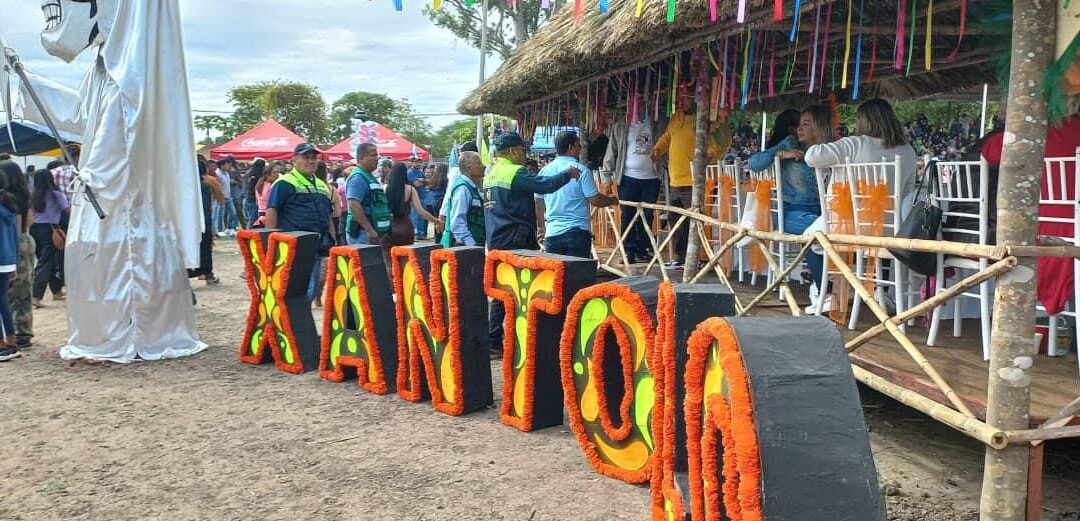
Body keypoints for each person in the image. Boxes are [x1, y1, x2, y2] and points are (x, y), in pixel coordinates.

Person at [484, 132, 580, 356]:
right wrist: (568, 174)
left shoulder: (492, 173)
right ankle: (521, 338)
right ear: (512, 151)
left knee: (501, 291)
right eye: (522, 149)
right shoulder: (513, 172)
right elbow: (545, 185)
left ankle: (494, 340)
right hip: (515, 239)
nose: (524, 153)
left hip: (497, 238)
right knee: (524, 288)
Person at [749, 106, 834, 310]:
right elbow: (754, 163)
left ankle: (835, 286)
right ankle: (823, 288)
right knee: (815, 232)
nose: (800, 129)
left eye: (806, 124)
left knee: (827, 228)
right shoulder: (790, 143)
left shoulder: (831, 150)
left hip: (824, 212)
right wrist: (780, 154)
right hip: (789, 212)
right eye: (799, 124)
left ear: (819, 127)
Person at [806, 98, 918, 214]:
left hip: (847, 223)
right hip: (891, 227)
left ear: (862, 120)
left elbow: (811, 156)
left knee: (809, 231)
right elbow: (907, 192)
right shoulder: (909, 151)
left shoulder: (854, 144)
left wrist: (828, 140)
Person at [652, 103, 729, 268]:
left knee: (695, 221)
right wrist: (657, 150)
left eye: (686, 96)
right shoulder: (676, 118)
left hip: (693, 181)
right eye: (680, 96)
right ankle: (681, 258)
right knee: (676, 220)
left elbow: (713, 146)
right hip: (675, 180)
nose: (683, 99)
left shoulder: (701, 119)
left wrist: (707, 158)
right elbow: (667, 137)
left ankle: (699, 259)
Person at [264, 143, 336, 304]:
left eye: (313, 157)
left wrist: (331, 238)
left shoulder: (322, 185)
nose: (311, 161)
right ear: (293, 160)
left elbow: (328, 214)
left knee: (311, 289)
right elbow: (272, 210)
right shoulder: (284, 183)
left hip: (317, 246)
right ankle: (289, 325)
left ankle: (297, 324)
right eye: (306, 157)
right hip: (293, 247)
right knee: (295, 292)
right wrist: (271, 243)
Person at [537, 131, 619, 259]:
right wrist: (612, 200)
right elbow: (595, 200)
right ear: (571, 147)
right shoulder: (581, 170)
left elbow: (538, 200)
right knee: (577, 276)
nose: (580, 148)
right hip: (577, 233)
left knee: (556, 276)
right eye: (578, 145)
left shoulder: (544, 171)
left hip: (552, 233)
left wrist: (541, 226)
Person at [604, 117, 658, 264]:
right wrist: (607, 178)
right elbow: (611, 151)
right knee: (627, 214)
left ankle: (643, 249)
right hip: (627, 178)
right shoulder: (621, 125)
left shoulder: (657, 121)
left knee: (647, 215)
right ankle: (628, 250)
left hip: (651, 178)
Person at [382, 162, 439, 275]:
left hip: (388, 228)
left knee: (388, 262)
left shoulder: (385, 188)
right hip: (406, 228)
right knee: (405, 261)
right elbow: (421, 211)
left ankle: (392, 289)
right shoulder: (410, 190)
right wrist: (436, 221)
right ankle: (404, 288)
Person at [0, 162, 34, 348]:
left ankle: (8, 336)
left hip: (8, 248)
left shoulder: (6, 199)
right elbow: (28, 221)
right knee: (21, 290)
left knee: (7, 296)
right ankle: (21, 331)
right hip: (20, 244)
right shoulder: (18, 199)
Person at [29, 170, 69, 308]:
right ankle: (36, 296)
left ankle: (56, 291)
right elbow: (67, 210)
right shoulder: (55, 194)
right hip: (51, 229)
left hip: (35, 229)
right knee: (46, 262)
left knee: (46, 259)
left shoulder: (32, 195)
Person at [345, 143, 391, 246]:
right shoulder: (358, 178)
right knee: (363, 261)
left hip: (371, 233)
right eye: (373, 155)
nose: (377, 158)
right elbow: (353, 205)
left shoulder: (369, 177)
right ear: (361, 158)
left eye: (377, 155)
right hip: (362, 233)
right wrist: (369, 230)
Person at [441, 151, 485, 247]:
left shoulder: (472, 187)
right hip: (465, 247)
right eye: (479, 163)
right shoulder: (463, 189)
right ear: (469, 168)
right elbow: (457, 222)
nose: (483, 166)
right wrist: (471, 245)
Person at [0, 169, 22, 361]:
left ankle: (2, 345)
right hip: (7, 260)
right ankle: (11, 339)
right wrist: (14, 263)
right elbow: (15, 237)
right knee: (3, 301)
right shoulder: (8, 205)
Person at [188, 156, 219, 285]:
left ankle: (188, 274)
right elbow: (206, 207)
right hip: (203, 222)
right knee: (205, 249)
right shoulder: (205, 186)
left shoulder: (188, 186)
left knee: (189, 249)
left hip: (190, 223)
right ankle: (208, 275)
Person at [407, 157, 430, 240]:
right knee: (415, 217)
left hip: (422, 197)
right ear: (412, 163)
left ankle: (420, 234)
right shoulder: (410, 172)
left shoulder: (420, 172)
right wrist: (424, 181)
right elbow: (417, 184)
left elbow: (429, 182)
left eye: (420, 162)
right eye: (416, 162)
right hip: (414, 198)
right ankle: (414, 234)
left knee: (422, 216)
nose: (418, 163)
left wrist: (422, 180)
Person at [243, 158, 266, 228]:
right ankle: (248, 234)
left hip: (247, 198)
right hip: (253, 199)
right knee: (253, 219)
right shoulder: (258, 176)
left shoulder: (249, 173)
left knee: (250, 218)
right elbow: (256, 189)